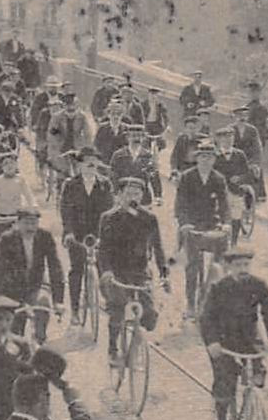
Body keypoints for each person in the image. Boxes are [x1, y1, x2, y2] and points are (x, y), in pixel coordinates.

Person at [200, 248, 268, 420]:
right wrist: (212, 343)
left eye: (246, 265)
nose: (243, 269)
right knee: (224, 384)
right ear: (229, 267)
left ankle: (251, 400)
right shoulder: (219, 288)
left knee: (258, 373)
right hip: (224, 343)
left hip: (249, 340)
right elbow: (206, 318)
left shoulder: (258, 285)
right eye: (238, 265)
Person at [97, 177, 170, 364]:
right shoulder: (109, 218)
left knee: (150, 316)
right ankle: (113, 348)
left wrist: (164, 273)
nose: (132, 198)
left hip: (140, 272)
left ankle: (137, 341)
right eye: (128, 194)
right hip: (115, 272)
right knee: (117, 309)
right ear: (119, 196)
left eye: (137, 194)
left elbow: (158, 247)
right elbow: (103, 250)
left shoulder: (149, 218)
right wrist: (106, 271)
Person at [0, 205, 65, 344]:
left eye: (34, 223)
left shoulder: (44, 236)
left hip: (35, 286)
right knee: (15, 332)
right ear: (18, 223)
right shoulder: (7, 239)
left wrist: (58, 301)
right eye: (26, 223)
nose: (30, 228)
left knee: (43, 303)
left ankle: (40, 339)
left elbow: (55, 267)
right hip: (12, 291)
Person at [174, 143, 231, 318]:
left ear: (214, 160)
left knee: (221, 265)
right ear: (197, 158)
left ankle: (211, 300)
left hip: (212, 225)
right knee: (193, 267)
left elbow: (224, 205)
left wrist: (227, 223)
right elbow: (180, 204)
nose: (206, 160)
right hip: (192, 227)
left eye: (210, 157)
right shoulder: (187, 177)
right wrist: (184, 223)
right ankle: (191, 304)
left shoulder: (218, 179)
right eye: (203, 157)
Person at [59, 154, 116, 325]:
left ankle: (107, 301)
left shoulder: (105, 184)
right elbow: (65, 211)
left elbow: (110, 211)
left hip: (99, 232)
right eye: (86, 163)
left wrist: (108, 234)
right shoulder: (70, 184)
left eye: (93, 163)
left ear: (98, 164)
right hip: (76, 233)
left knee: (104, 266)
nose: (90, 166)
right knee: (76, 269)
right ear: (80, 165)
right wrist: (68, 232)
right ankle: (75, 310)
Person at [0, 150, 36, 239]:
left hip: (17, 215)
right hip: (2, 216)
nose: (9, 166)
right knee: (1, 238)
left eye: (12, 163)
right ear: (2, 167)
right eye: (6, 164)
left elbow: (29, 195)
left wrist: (32, 206)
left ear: (16, 165)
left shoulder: (20, 180)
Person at [109, 125, 161, 206]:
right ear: (127, 137)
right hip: (123, 194)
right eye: (133, 136)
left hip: (143, 196)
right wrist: (115, 193)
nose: (136, 139)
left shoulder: (148, 156)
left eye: (140, 136)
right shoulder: (118, 155)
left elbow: (154, 176)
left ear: (143, 138)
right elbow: (113, 175)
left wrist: (158, 195)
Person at [228, 104, 265, 202]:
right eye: (239, 115)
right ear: (234, 117)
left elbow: (257, 148)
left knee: (254, 174)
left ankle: (253, 201)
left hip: (249, 162)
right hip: (233, 162)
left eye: (244, 115)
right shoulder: (229, 130)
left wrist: (255, 163)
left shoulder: (252, 130)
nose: (242, 118)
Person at [171, 111, 205, 178]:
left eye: (194, 128)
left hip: (197, 169)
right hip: (183, 167)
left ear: (199, 128)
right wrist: (174, 169)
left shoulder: (204, 140)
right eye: (189, 128)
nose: (191, 131)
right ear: (185, 129)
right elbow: (175, 156)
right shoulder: (181, 139)